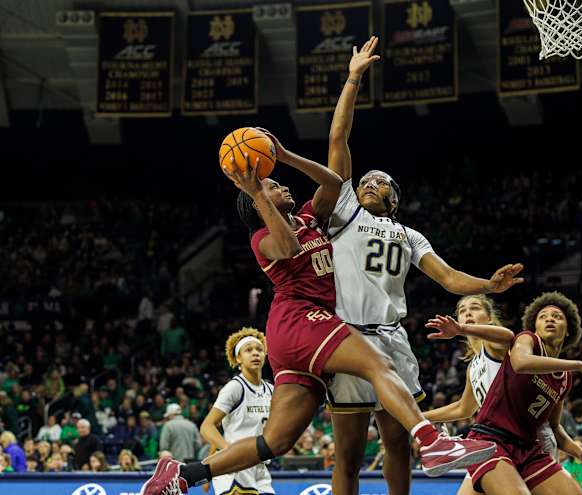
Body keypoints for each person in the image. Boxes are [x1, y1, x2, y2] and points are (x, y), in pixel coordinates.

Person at [141, 126, 496, 495]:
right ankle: (431, 440)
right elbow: (290, 247)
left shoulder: (310, 217)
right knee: (378, 365)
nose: (283, 186)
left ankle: (184, 474)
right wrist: (257, 192)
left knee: (274, 442)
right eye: (275, 186)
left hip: (296, 340)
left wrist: (285, 155)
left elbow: (333, 182)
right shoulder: (262, 239)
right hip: (302, 319)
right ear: (260, 201)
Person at [324, 36, 524, 495]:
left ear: (394, 199)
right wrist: (353, 78)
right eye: (366, 180)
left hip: (393, 338)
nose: (370, 183)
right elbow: (339, 138)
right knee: (350, 454)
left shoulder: (410, 234)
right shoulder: (346, 211)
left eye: (380, 182)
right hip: (349, 336)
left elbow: (450, 278)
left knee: (399, 443)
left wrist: (490, 286)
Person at [465, 291, 582, 494]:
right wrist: (581, 365)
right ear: (534, 327)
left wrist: (579, 452)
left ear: (568, 331)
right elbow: (521, 363)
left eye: (557, 317)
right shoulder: (527, 340)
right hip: (490, 439)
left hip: (528, 448)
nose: (550, 319)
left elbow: (554, 427)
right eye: (543, 316)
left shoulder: (565, 378)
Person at [422, 295, 558, 495]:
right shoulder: (473, 365)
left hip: (528, 440)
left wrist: (462, 329)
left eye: (475, 308)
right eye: (462, 310)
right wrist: (419, 418)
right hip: (493, 440)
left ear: (489, 317)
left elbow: (507, 335)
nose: (468, 312)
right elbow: (464, 408)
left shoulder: (495, 346)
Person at [199, 327, 274, 495]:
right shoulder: (235, 387)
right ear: (238, 358)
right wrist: (230, 453)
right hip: (236, 466)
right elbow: (207, 426)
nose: (255, 353)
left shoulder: (271, 390)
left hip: (260, 465)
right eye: (248, 350)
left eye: (259, 350)